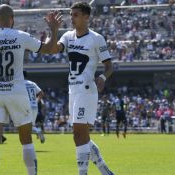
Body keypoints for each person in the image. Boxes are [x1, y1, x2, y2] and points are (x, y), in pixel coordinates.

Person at [0, 4, 62, 175]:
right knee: (26, 139)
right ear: (12, 19)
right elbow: (50, 48)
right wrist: (53, 30)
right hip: (17, 91)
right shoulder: (21, 36)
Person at [49, 2, 114, 175]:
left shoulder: (96, 38)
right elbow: (54, 49)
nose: (72, 18)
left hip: (87, 90)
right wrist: (54, 30)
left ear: (86, 17)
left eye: (76, 15)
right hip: (73, 90)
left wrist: (102, 77)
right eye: (71, 15)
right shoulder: (68, 36)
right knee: (81, 137)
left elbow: (109, 66)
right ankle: (104, 169)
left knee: (78, 135)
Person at [23, 70, 45, 143]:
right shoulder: (32, 83)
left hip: (25, 106)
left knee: (24, 125)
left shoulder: (20, 84)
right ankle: (37, 132)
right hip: (34, 107)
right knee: (31, 125)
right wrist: (36, 101)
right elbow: (41, 93)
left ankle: (37, 131)